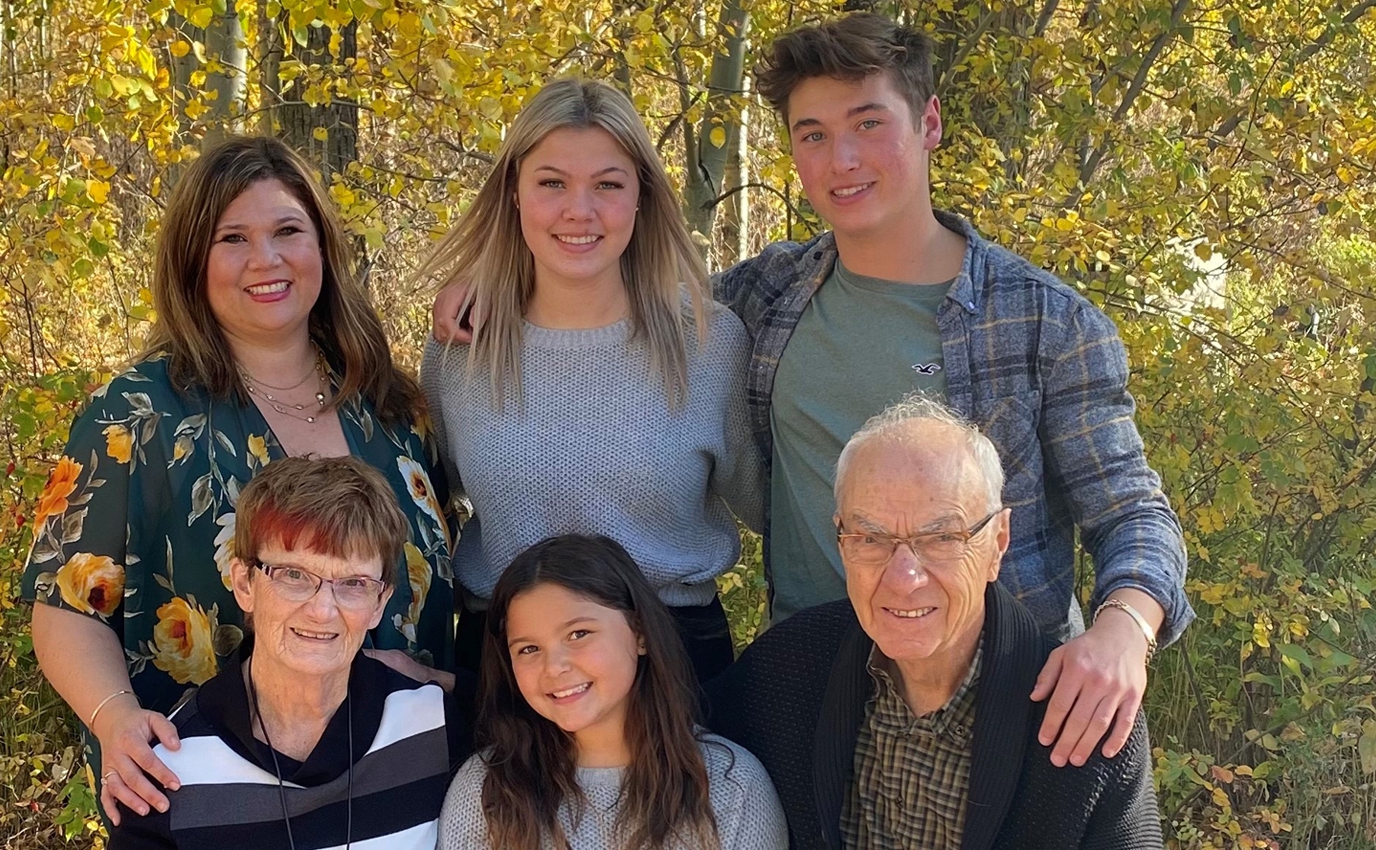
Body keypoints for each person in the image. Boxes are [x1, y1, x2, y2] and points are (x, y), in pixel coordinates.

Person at [432, 13, 1192, 768]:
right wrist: (495, 281)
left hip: (988, 691)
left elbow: (1131, 509)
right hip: (810, 685)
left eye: (868, 123)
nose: (843, 158)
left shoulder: (1040, 321)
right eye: (814, 134)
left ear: (929, 122)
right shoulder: (769, 297)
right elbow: (606, 300)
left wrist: (1124, 628)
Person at [22, 135, 460, 826]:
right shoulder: (137, 416)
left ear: (322, 247)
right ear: (194, 261)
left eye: (288, 230)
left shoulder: (392, 408)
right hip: (216, 794)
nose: (267, 259)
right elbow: (64, 604)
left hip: (406, 787)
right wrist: (115, 722)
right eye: (234, 238)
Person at [416, 78, 762, 683]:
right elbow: (424, 509)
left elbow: (774, 507)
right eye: (552, 183)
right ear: (515, 194)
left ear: (641, 198)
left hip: (671, 659)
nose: (580, 210)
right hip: (507, 664)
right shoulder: (462, 347)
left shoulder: (708, 343)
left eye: (608, 184)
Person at [705, 396, 1161, 850]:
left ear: (998, 543)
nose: (904, 579)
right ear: (842, 543)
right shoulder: (784, 673)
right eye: (871, 537)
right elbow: (666, 757)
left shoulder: (1083, 717)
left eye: (942, 537)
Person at [108, 456, 467, 849]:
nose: (322, 610)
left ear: (380, 602)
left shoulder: (434, 725)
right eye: (294, 575)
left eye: (354, 583)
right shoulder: (165, 772)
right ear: (244, 583)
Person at [441, 535, 786, 850]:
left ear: (640, 634)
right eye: (529, 649)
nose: (554, 666)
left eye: (578, 634)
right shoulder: (485, 789)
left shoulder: (731, 784)